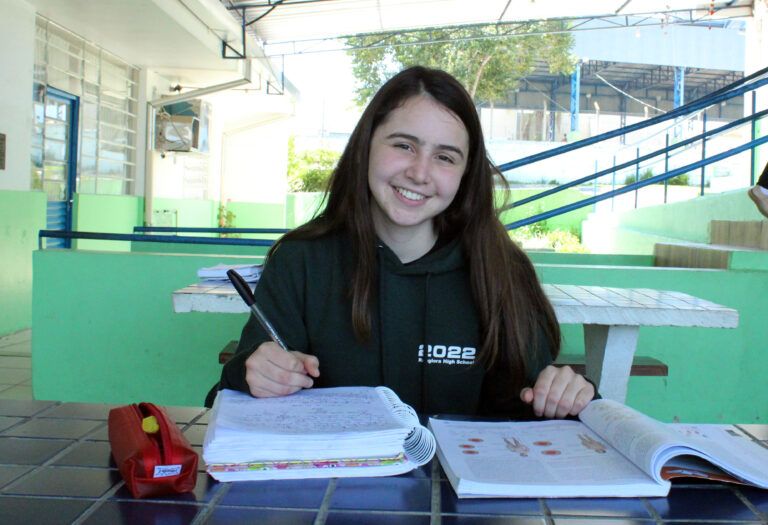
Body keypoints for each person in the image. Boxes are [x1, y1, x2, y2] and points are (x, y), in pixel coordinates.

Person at [218, 66, 596, 419]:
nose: (419, 173)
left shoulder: (501, 270)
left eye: (445, 157)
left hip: (462, 489)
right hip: (334, 486)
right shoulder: (301, 262)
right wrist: (252, 375)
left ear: (466, 174)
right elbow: (232, 400)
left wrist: (565, 393)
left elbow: (532, 403)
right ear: (366, 146)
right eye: (404, 146)